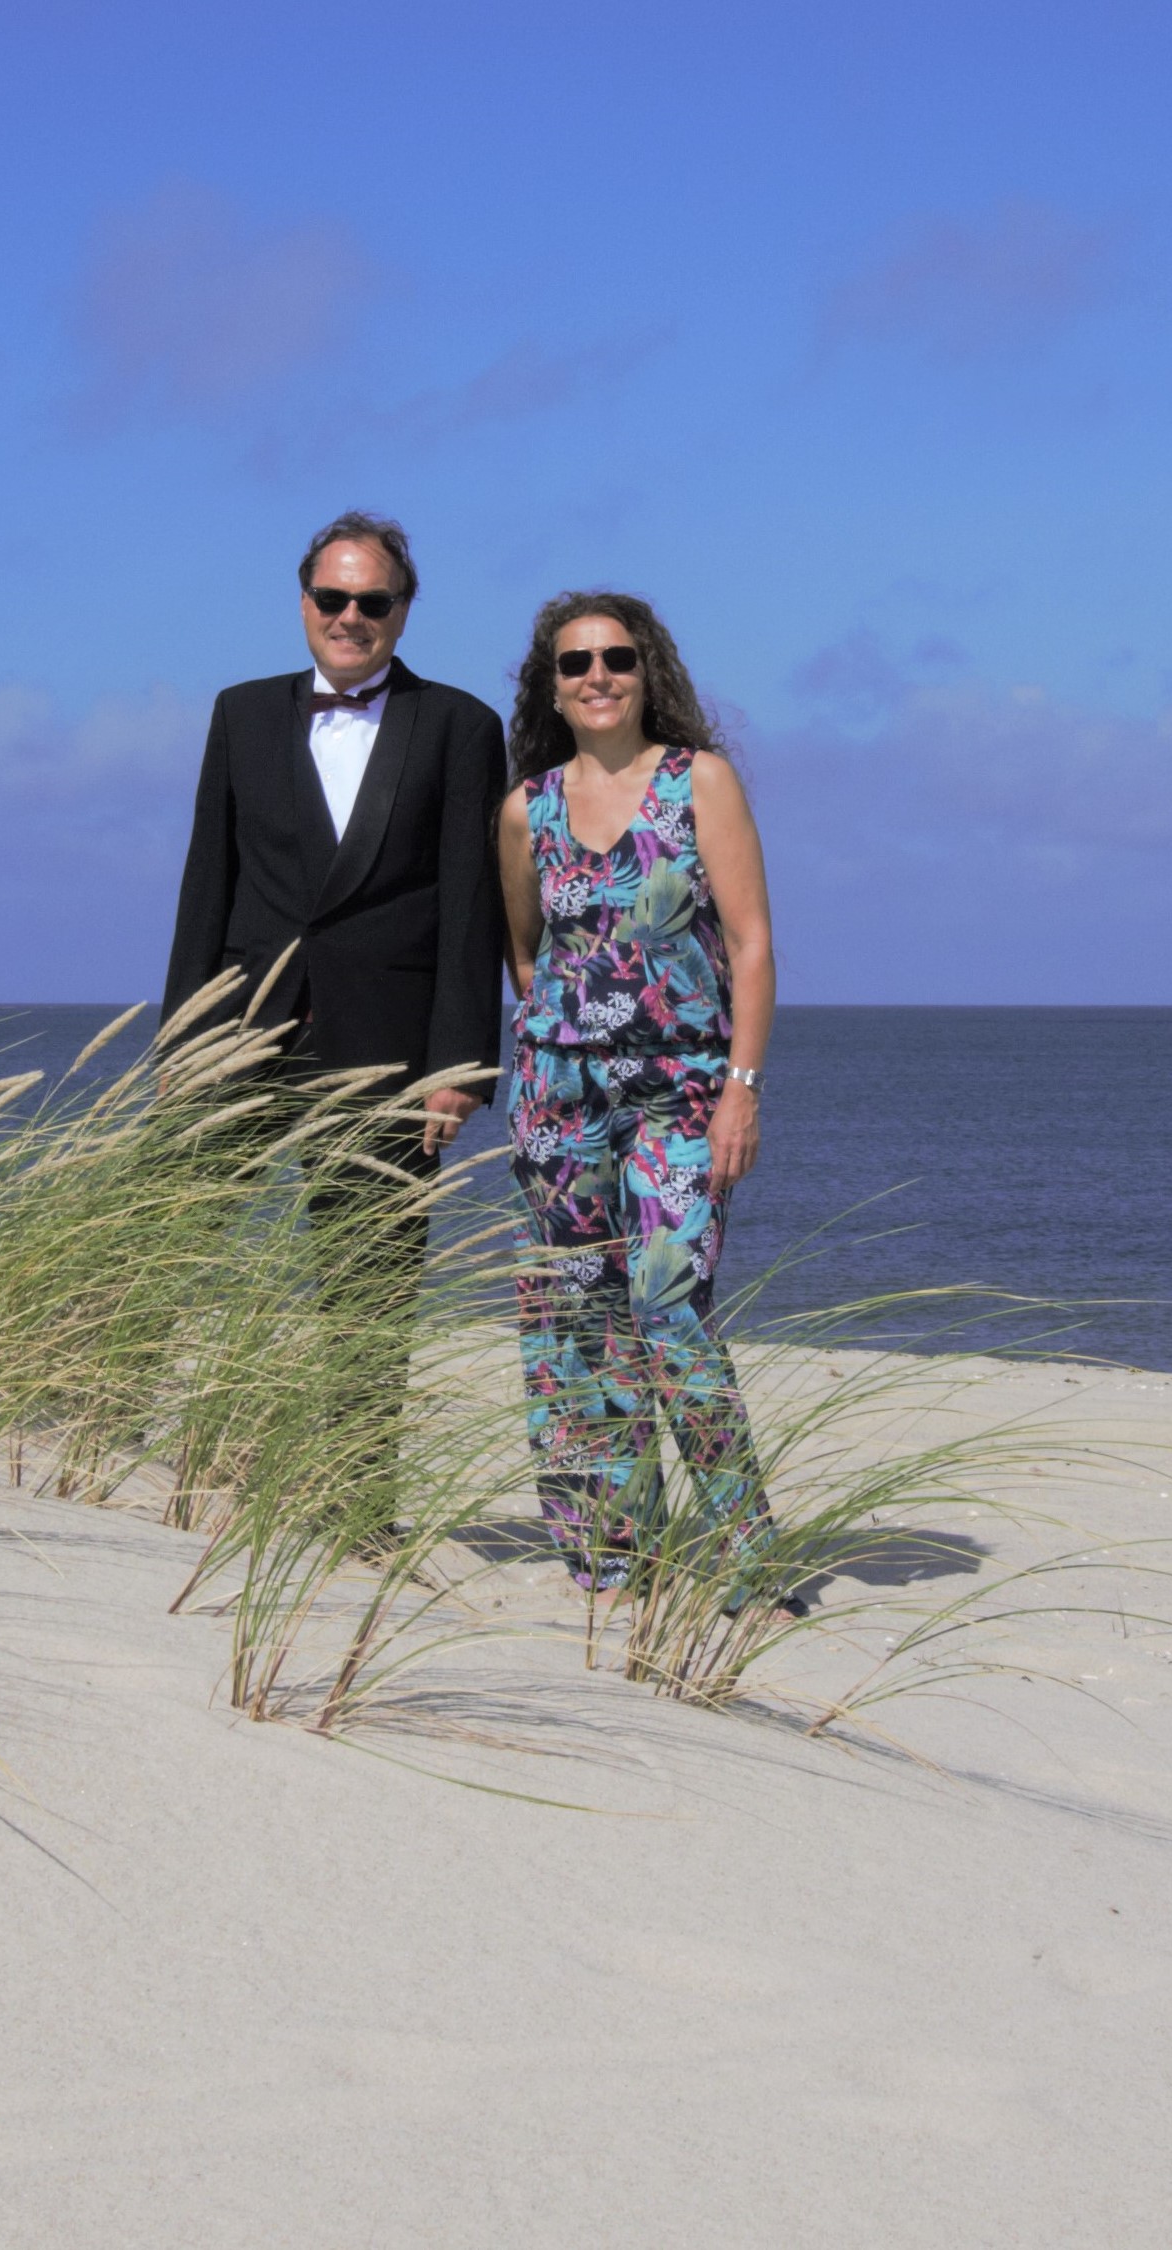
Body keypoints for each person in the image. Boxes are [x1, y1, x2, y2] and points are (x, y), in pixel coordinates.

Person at [160, 512, 508, 1508]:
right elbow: (206, 883)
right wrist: (179, 1041)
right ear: (304, 601)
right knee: (158, 1244)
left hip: (386, 1048)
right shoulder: (238, 714)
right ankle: (91, 1440)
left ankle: (354, 1501)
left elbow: (470, 905)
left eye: (372, 600)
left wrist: (459, 1064)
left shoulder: (460, 726)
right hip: (238, 1032)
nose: (350, 616)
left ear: (403, 609)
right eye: (332, 597)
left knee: (369, 1284)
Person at [496, 591, 796, 1609]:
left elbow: (750, 944)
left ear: (646, 670)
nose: (597, 677)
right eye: (574, 662)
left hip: (682, 1091)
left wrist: (739, 1090)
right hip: (557, 1099)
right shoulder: (526, 808)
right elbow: (528, 955)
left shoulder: (698, 781)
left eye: (616, 658)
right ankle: (614, 1555)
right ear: (549, 686)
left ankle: (748, 1558)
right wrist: (562, 1042)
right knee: (577, 1317)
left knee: (669, 1308)